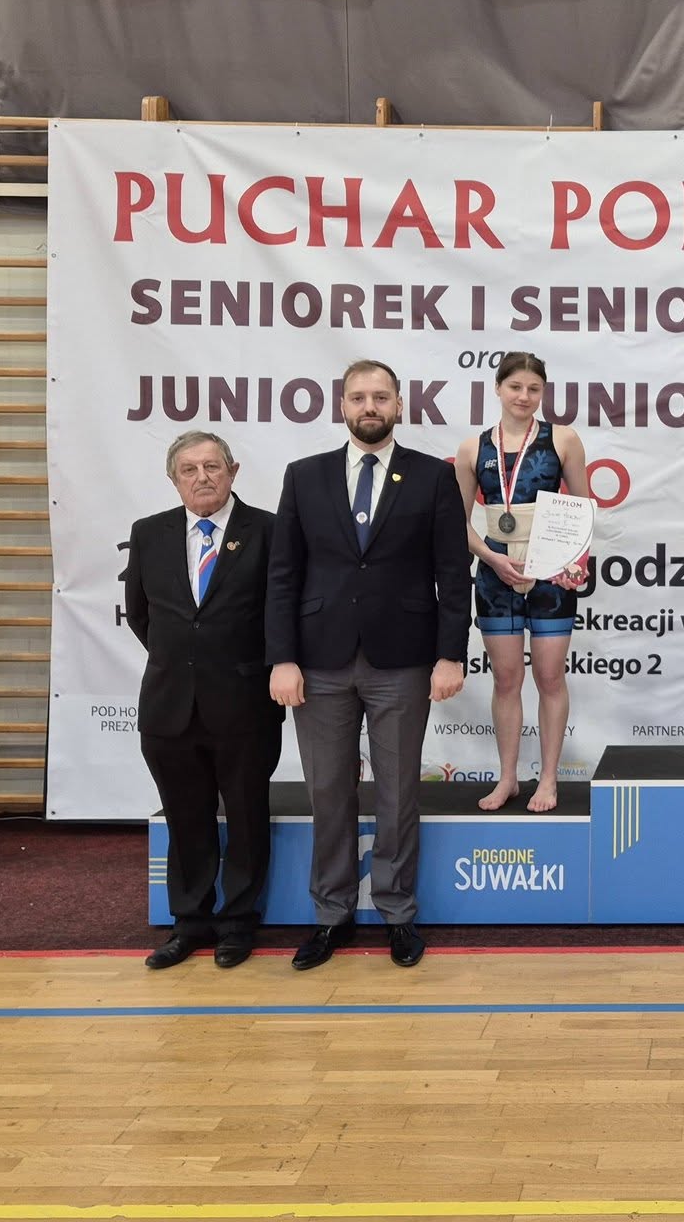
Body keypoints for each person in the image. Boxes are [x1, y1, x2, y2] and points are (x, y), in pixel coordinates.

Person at [266, 359, 471, 970]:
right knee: (328, 793)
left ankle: (397, 913)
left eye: (381, 396)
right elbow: (283, 575)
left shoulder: (433, 477)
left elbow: (452, 573)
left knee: (398, 791)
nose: (370, 407)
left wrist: (450, 654)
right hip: (318, 661)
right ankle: (331, 915)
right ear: (342, 406)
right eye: (358, 397)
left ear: (400, 405)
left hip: (403, 661)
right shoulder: (304, 476)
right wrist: (282, 658)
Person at [123, 431, 279, 969]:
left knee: (247, 818)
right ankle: (189, 923)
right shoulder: (149, 533)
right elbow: (141, 614)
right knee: (186, 819)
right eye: (189, 469)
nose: (202, 477)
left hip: (245, 703)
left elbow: (279, 613)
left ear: (233, 471)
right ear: (174, 480)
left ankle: (238, 923)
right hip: (169, 705)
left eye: (212, 466)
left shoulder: (269, 531)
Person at [453, 351, 592, 813]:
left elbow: (582, 509)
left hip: (551, 575)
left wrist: (573, 561)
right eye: (515, 387)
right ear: (497, 388)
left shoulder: (563, 439)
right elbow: (458, 522)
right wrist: (492, 558)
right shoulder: (472, 449)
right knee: (507, 679)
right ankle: (508, 778)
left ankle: (548, 779)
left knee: (550, 676)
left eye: (534, 389)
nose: (524, 396)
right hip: (496, 574)